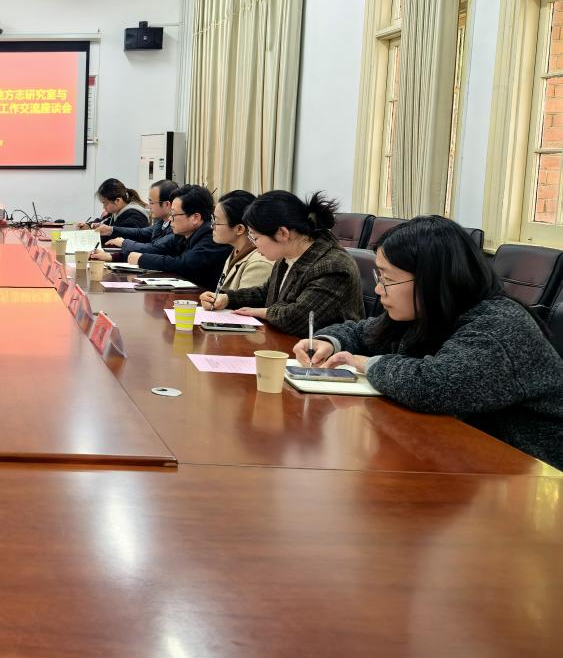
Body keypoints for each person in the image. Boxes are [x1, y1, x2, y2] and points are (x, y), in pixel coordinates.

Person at [295, 216, 563, 468]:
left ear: (431, 280)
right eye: (380, 278)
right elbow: (362, 331)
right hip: (464, 457)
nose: (378, 289)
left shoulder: (499, 326)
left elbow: (435, 386)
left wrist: (368, 364)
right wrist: (329, 342)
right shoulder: (429, 310)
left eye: (388, 279)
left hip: (530, 472)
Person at [203, 190, 363, 336]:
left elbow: (299, 319)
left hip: (319, 353)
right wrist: (227, 298)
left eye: (255, 237)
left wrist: (264, 312)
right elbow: (266, 293)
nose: (253, 244)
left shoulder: (333, 265)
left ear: (282, 233)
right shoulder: (286, 254)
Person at [120, 185, 230, 289]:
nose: (170, 219)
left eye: (174, 215)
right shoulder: (183, 234)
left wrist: (142, 259)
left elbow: (183, 264)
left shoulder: (212, 237)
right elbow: (158, 250)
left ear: (195, 218)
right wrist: (117, 256)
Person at [199, 189, 274, 304]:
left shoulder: (259, 263)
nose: (212, 226)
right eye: (212, 219)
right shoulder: (236, 251)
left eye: (216, 221)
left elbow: (245, 308)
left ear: (239, 229)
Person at [80, 179, 148, 231]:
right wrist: (89, 225)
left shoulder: (134, 217)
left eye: (105, 203)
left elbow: (117, 239)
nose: (103, 207)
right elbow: (103, 221)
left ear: (117, 201)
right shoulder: (116, 211)